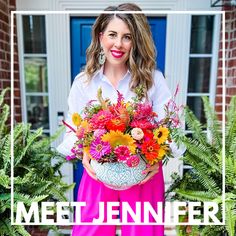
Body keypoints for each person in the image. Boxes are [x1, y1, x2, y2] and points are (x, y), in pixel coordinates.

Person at [58, 3, 177, 235]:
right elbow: (74, 131)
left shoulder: (153, 80)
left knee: (145, 232)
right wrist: (84, 153)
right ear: (101, 37)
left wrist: (157, 159)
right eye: (112, 34)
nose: (118, 44)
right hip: (98, 173)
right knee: (90, 230)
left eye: (127, 37)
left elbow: (169, 128)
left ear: (136, 41)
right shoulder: (84, 82)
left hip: (143, 174)